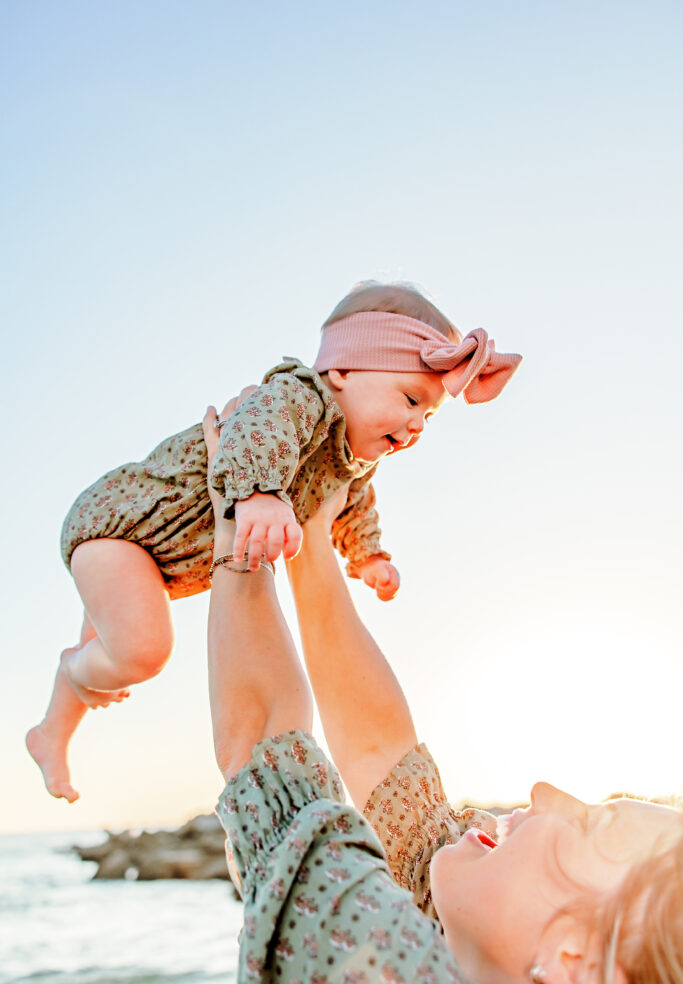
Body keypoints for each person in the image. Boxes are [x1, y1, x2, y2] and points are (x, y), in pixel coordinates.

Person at [202, 408, 683, 984]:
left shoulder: (381, 961)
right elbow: (383, 756)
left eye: (587, 825)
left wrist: (239, 530)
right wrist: (312, 534)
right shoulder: (473, 930)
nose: (545, 791)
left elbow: (266, 749)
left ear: (572, 961)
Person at [27, 281, 521, 802]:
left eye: (430, 415)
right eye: (411, 398)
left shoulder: (351, 464)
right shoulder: (297, 397)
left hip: (159, 564)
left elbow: (354, 508)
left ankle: (50, 734)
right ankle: (76, 672)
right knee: (144, 651)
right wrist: (261, 494)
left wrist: (368, 554)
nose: (418, 423)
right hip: (123, 528)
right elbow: (252, 429)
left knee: (123, 644)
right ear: (343, 372)